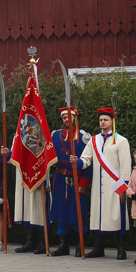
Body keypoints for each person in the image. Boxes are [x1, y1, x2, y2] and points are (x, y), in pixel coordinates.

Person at [80, 107, 132, 259]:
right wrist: (77, 162)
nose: (102, 122)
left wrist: (124, 188)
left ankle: (121, 249)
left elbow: (125, 166)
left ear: (112, 121)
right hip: (98, 185)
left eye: (105, 120)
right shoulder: (94, 140)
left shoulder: (121, 141)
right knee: (98, 215)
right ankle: (98, 247)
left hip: (115, 185)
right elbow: (86, 158)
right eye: (101, 120)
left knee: (117, 215)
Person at [50, 108, 92, 256]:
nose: (67, 120)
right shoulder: (55, 136)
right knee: (61, 212)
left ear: (75, 118)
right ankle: (63, 245)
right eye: (64, 118)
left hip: (77, 179)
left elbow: (89, 162)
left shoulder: (83, 138)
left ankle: (80, 245)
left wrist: (84, 183)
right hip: (61, 178)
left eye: (69, 117)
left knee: (78, 212)